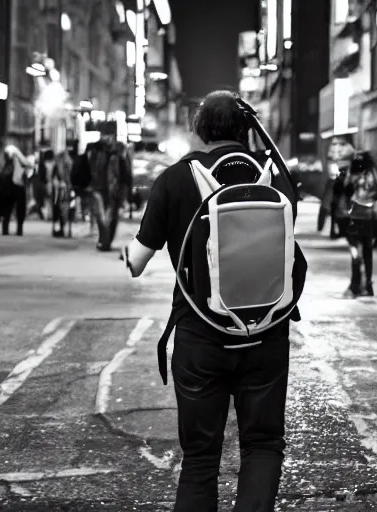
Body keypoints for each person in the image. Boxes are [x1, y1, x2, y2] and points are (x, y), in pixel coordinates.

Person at [121, 90, 300, 512]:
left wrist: (126, 252)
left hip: (200, 339)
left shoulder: (175, 179)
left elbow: (137, 263)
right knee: (263, 445)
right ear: (246, 129)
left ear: (200, 130)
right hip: (266, 336)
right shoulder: (274, 174)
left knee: (200, 459)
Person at [333, 150, 377, 298]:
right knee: (367, 252)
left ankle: (355, 285)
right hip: (370, 219)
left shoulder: (352, 177)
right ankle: (367, 286)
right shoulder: (372, 175)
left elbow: (344, 194)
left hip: (355, 219)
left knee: (355, 252)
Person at [0, 137, 32, 236]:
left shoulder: (13, 160)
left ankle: (8, 229)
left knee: (9, 208)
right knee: (13, 208)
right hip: (16, 186)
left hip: (12, 187)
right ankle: (14, 229)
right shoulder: (19, 159)